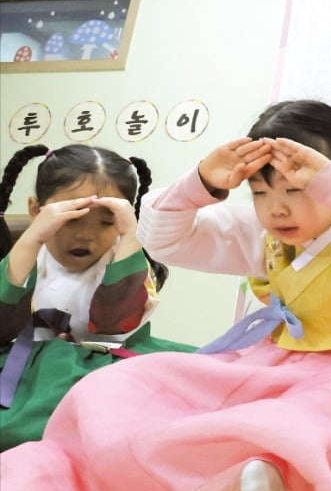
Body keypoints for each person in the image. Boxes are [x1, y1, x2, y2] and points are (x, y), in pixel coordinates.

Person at [0, 100, 331, 491]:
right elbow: (165, 241)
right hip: (283, 363)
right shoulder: (264, 232)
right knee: (124, 385)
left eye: (296, 190)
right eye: (259, 191)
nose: (276, 208)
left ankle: (285, 480)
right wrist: (201, 181)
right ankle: (242, 477)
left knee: (310, 416)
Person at [0, 144, 193, 451]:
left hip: (107, 366)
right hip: (31, 369)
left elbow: (113, 323)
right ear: (37, 210)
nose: (85, 235)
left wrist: (132, 235)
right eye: (72, 217)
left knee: (173, 418)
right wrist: (32, 237)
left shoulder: (126, 259)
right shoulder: (28, 255)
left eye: (106, 222)